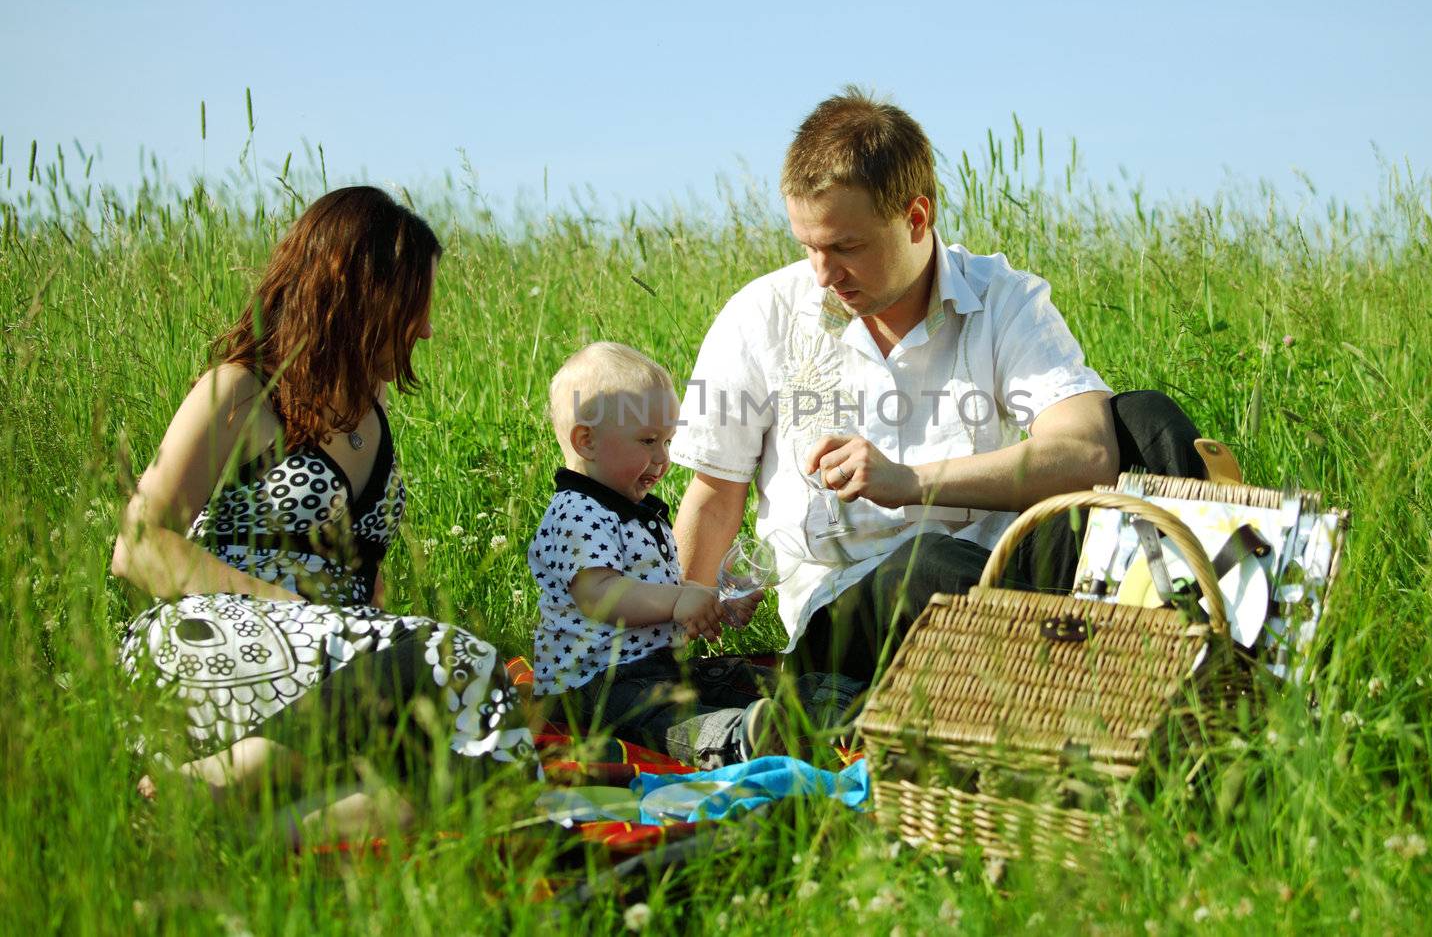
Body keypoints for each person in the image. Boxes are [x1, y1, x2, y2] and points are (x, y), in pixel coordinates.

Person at [669, 88, 1209, 685]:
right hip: (850, 619)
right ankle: (1110, 677)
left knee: (1144, 422)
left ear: (916, 217)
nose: (823, 274)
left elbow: (1086, 453)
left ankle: (1222, 660)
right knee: (927, 564)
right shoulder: (760, 316)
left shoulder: (1003, 298)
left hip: (1007, 575)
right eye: (808, 246)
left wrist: (909, 483)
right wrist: (671, 638)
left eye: (846, 247)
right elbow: (716, 492)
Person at [113, 186, 539, 830]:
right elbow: (139, 547)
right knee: (456, 662)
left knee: (479, 768)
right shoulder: (241, 390)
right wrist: (305, 614)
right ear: (356, 296)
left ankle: (230, 829)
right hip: (220, 644)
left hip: (339, 670)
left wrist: (372, 638)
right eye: (413, 305)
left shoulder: (375, 414)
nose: (426, 326)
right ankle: (227, 779)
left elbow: (367, 579)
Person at [528, 342, 817, 768]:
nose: (663, 459)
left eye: (667, 441)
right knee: (660, 716)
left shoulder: (632, 511)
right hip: (593, 687)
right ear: (586, 441)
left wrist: (710, 601)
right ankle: (738, 740)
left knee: (733, 676)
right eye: (648, 441)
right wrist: (680, 600)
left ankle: (829, 702)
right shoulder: (577, 512)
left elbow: (654, 592)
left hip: (656, 667)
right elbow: (600, 595)